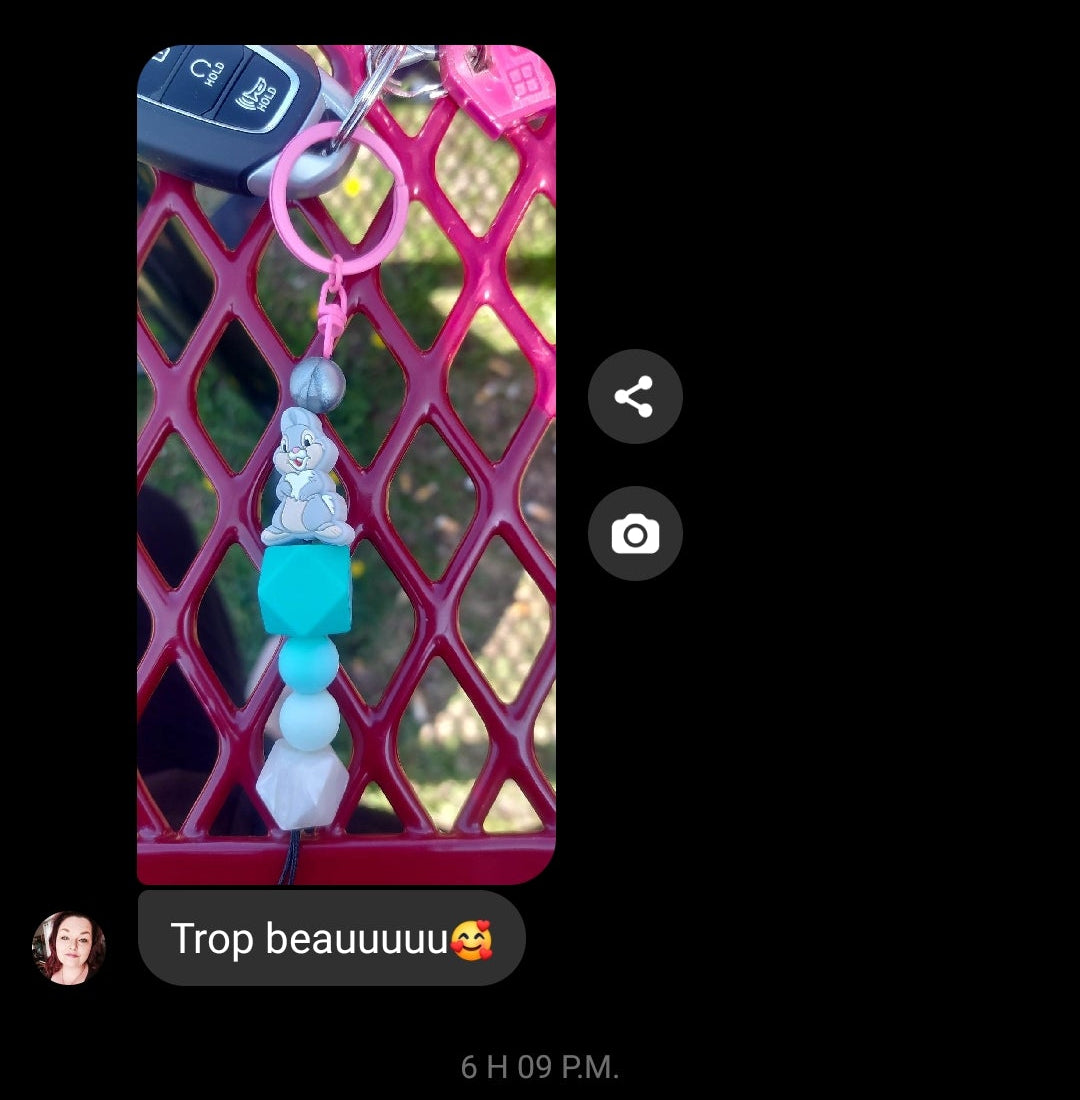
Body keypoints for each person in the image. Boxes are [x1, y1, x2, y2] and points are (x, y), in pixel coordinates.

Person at [40, 912, 105, 985]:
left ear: (92, 945)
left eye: (83, 940)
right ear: (55, 941)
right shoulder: (47, 972)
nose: (73, 946)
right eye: (65, 937)